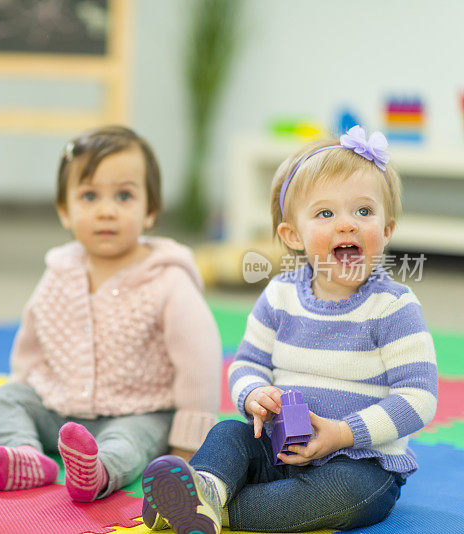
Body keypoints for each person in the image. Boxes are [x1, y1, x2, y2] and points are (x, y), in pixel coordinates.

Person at [141, 125, 438, 533]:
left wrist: (341, 432)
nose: (347, 225)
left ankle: (215, 510)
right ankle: (207, 487)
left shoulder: (393, 306)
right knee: (229, 433)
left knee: (342, 495)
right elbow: (247, 363)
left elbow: (419, 397)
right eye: (326, 213)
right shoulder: (279, 295)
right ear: (293, 235)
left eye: (364, 212)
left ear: (387, 230)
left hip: (359, 462)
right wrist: (253, 394)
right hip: (277, 446)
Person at [0, 125, 222, 502]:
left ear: (151, 211)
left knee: (129, 441)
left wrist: (188, 441)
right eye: (90, 196)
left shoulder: (168, 281)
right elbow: (32, 341)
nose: (106, 211)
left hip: (140, 411)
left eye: (124, 196)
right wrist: (19, 404)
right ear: (65, 210)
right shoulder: (59, 272)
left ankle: (98, 471)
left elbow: (200, 363)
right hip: (62, 409)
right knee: (6, 398)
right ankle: (26, 454)